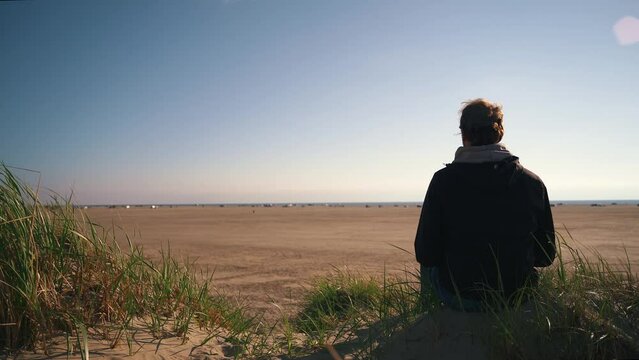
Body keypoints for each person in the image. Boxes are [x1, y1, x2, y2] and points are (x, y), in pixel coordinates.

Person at [414, 98, 555, 311]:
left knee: (428, 265)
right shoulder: (532, 182)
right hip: (519, 296)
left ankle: (429, 320)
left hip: (460, 296)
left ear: (463, 134)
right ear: (500, 132)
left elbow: (426, 252)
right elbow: (545, 255)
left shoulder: (443, 181)